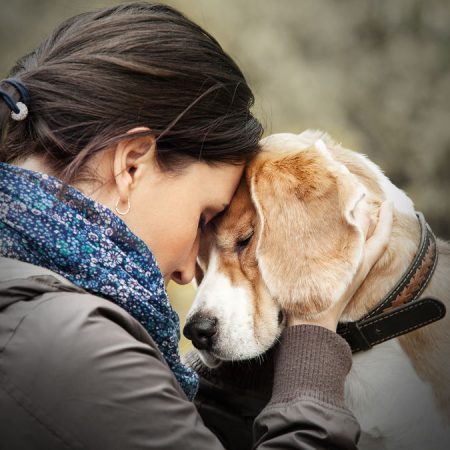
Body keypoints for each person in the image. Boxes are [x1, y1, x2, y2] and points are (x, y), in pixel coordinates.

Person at [0, 2, 393, 449]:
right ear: (131, 166)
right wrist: (314, 334)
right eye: (205, 217)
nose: (189, 272)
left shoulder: (30, 306)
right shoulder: (65, 340)